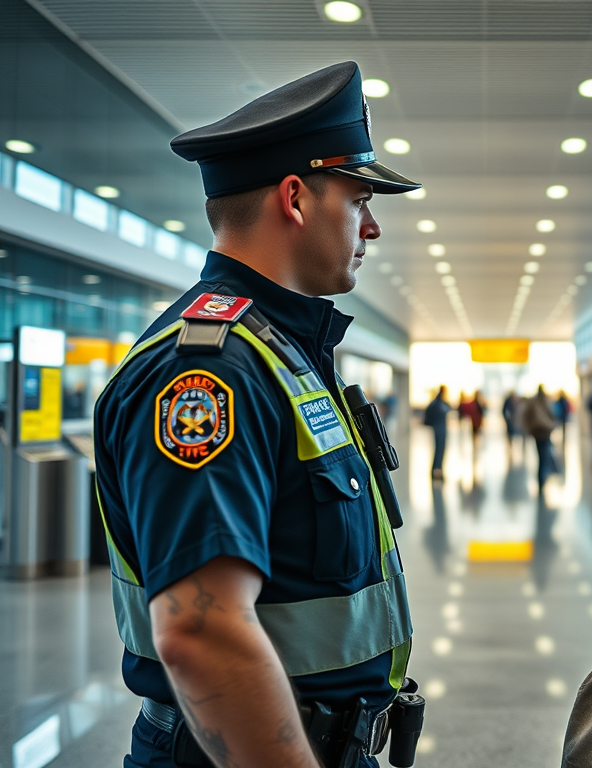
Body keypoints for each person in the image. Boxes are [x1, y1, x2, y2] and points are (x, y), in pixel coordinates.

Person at [93, 63, 420, 768]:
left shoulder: (280, 352)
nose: (372, 227)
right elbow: (201, 633)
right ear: (295, 198)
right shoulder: (209, 373)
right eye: (360, 201)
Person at [521, 384, 556, 489]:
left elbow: (526, 417)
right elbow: (551, 415)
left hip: (537, 432)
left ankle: (541, 477)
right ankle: (542, 476)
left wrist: (529, 428)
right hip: (544, 431)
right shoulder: (545, 401)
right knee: (544, 455)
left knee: (541, 455)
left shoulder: (533, 402)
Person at [424, 385, 451, 482]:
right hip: (439, 429)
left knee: (441, 449)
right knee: (439, 449)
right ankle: (436, 470)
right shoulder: (438, 403)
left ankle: (438, 469)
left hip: (441, 428)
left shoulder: (440, 402)